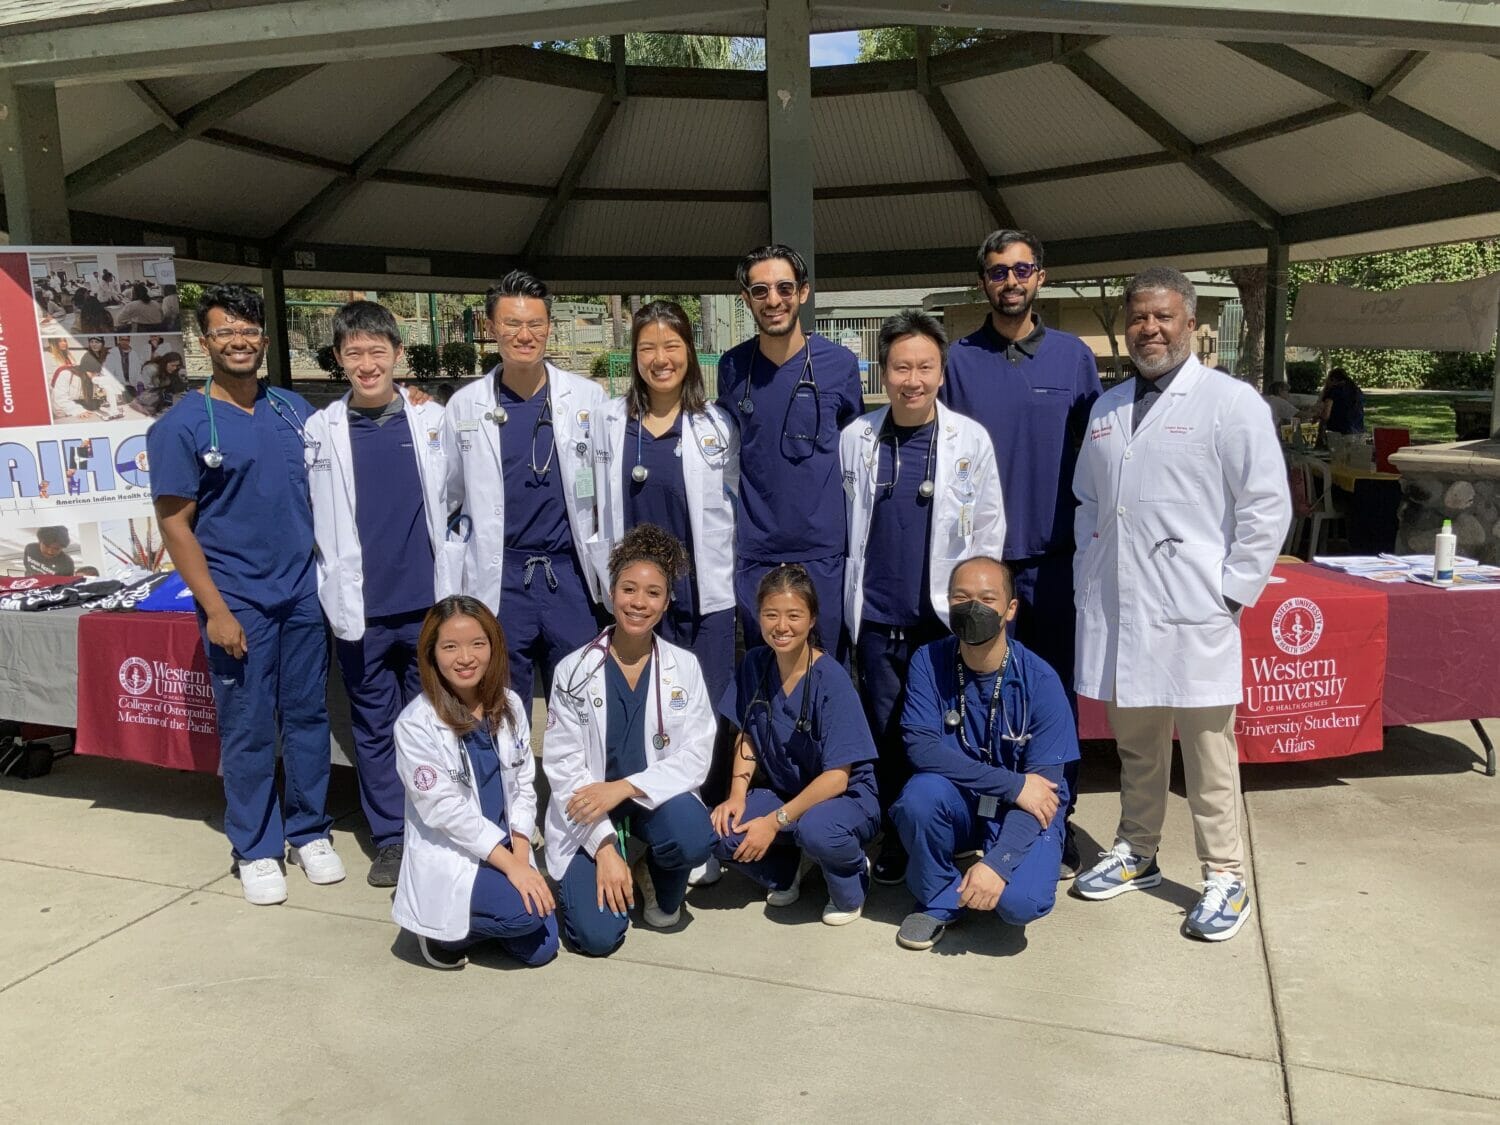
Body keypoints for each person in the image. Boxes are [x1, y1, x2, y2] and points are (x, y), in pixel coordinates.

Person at [1071, 267, 1290, 942]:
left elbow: (1266, 505)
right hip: (1123, 605)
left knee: (1207, 751)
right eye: (1140, 317)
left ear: (1193, 323)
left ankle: (1225, 874)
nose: (1151, 329)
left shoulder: (1230, 402)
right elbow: (1086, 501)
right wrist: (1088, 572)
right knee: (1136, 743)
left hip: (1196, 608)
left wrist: (1229, 590)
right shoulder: (1107, 409)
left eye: (1165, 317)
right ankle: (1138, 848)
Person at [148, 284, 345, 907]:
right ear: (205, 342)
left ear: (264, 338)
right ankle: (256, 846)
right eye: (223, 332)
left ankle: (310, 829)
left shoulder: (292, 410)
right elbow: (176, 525)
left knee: (309, 717)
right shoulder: (181, 426)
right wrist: (216, 609)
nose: (238, 341)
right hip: (240, 602)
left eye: (248, 330)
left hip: (301, 594)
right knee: (250, 727)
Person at [942, 229, 1101, 878]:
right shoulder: (957, 360)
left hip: (1056, 562)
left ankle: (1055, 820)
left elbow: (1100, 458)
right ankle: (988, 816)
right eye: (998, 271)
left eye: (1023, 269)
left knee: (1053, 698)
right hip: (982, 570)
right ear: (983, 281)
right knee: (984, 696)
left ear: (1041, 276)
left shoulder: (1073, 358)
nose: (1011, 280)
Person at [840, 309, 1006, 886]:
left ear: (941, 372)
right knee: (886, 735)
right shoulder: (857, 438)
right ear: (883, 373)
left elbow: (988, 529)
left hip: (941, 622)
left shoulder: (969, 440)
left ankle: (951, 829)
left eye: (925, 367)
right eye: (901, 367)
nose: (913, 379)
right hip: (879, 619)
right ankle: (897, 836)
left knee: (947, 733)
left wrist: (976, 611)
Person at [305, 300, 455, 888]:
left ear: (397, 354)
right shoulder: (321, 430)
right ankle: (391, 837)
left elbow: (462, 499)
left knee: (435, 721)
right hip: (360, 613)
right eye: (354, 353)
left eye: (377, 352)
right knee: (374, 725)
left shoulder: (431, 420)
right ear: (338, 360)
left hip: (426, 606)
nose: (367, 364)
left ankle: (438, 826)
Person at [542, 525, 717, 956]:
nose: (639, 602)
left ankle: (649, 869)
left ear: (667, 601)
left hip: (646, 803)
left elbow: (697, 757)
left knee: (695, 836)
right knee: (598, 938)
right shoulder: (573, 671)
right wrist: (603, 847)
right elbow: (564, 771)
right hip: (588, 814)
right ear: (611, 592)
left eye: (653, 593)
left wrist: (621, 788)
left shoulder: (684, 667)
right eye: (629, 589)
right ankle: (616, 855)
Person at [890, 557, 1077, 951]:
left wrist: (999, 863)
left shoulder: (1041, 681)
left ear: (1010, 609)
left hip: (1020, 812)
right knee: (919, 797)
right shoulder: (929, 661)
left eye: (987, 598)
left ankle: (993, 864)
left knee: (1020, 903)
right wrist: (1011, 783)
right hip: (965, 799)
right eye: (962, 597)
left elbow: (1042, 795)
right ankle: (939, 899)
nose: (973, 608)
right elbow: (921, 748)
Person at [443, 269, 607, 708]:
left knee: (581, 703)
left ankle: (576, 782)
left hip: (570, 575)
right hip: (502, 580)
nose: (524, 334)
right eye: (512, 324)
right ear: (492, 327)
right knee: (499, 706)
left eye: (535, 324)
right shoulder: (465, 405)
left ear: (549, 328)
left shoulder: (588, 398)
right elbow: (449, 496)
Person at [391, 596, 558, 970]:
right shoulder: (416, 724)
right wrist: (515, 869)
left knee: (543, 947)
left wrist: (519, 853)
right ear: (432, 654)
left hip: (504, 846)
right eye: (450, 647)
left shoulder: (511, 705)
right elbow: (444, 811)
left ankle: (480, 921)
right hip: (457, 853)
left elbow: (523, 787)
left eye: (477, 644)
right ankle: (441, 935)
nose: (465, 658)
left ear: (494, 646)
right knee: (527, 915)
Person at [711, 564, 880, 925]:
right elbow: (747, 734)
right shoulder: (755, 663)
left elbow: (838, 777)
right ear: (758, 617)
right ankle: (786, 872)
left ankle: (851, 872)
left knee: (817, 829)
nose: (781, 626)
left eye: (794, 615)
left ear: (813, 618)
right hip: (786, 793)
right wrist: (737, 795)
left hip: (846, 800)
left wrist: (773, 822)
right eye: (771, 615)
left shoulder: (831, 679)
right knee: (722, 829)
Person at [591, 299, 739, 715]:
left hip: (701, 594)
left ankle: (705, 785)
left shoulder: (718, 425)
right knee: (644, 707)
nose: (660, 360)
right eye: (647, 348)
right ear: (634, 355)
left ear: (689, 352)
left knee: (705, 709)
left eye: (671, 346)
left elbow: (737, 508)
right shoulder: (608, 421)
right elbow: (588, 503)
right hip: (637, 599)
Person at [715, 245, 864, 655]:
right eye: (760, 291)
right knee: (765, 670)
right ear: (746, 299)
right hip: (757, 553)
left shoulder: (840, 365)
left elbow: (856, 454)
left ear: (803, 292)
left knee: (825, 670)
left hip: (823, 553)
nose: (773, 300)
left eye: (784, 287)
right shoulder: (732, 369)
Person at [1320, 367, 1364, 442]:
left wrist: (1317, 417)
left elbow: (1326, 415)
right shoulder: (1356, 391)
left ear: (1333, 379)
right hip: (1358, 431)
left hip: (1339, 433)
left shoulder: (1333, 391)